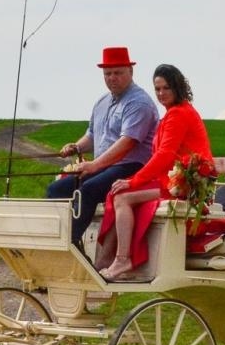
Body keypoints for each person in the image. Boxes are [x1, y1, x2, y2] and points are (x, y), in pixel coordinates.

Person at [96, 64, 213, 281]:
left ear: (177, 87)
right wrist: (134, 180)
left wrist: (134, 181)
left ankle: (122, 258)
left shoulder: (178, 114)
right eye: (157, 89)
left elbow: (165, 155)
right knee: (117, 191)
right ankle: (107, 258)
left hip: (184, 187)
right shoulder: (172, 114)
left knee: (122, 197)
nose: (161, 93)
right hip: (171, 181)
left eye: (166, 88)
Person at [47, 46, 158, 248]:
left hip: (131, 166)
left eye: (117, 73)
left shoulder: (139, 103)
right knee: (56, 189)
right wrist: (76, 147)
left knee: (89, 189)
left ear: (130, 71)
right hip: (106, 166)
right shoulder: (101, 102)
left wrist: (95, 165)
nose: (112, 78)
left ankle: (70, 243)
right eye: (107, 74)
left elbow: (128, 142)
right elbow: (92, 135)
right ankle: (55, 238)